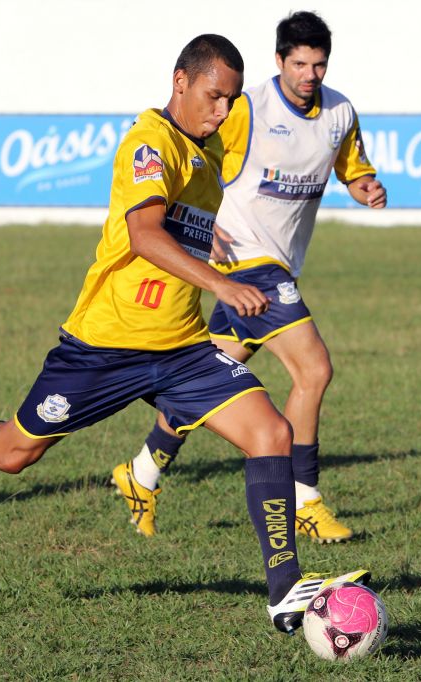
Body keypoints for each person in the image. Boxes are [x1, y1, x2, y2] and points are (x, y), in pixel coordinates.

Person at [0, 34, 367, 635]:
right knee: (13, 453)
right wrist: (222, 285)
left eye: (230, 100)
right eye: (213, 96)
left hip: (180, 348)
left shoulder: (212, 146)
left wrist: (214, 241)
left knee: (271, 431)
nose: (223, 111)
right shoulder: (150, 141)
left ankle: (283, 594)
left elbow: (186, 223)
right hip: (104, 346)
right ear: (181, 82)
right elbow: (144, 234)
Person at [112, 11, 386, 544]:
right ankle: (306, 500)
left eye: (319, 64)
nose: (310, 73)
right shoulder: (246, 109)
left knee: (201, 383)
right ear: (280, 60)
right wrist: (197, 223)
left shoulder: (340, 113)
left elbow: (352, 167)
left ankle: (141, 472)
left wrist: (366, 187)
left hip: (275, 264)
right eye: (300, 63)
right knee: (314, 371)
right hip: (245, 261)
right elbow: (193, 154)